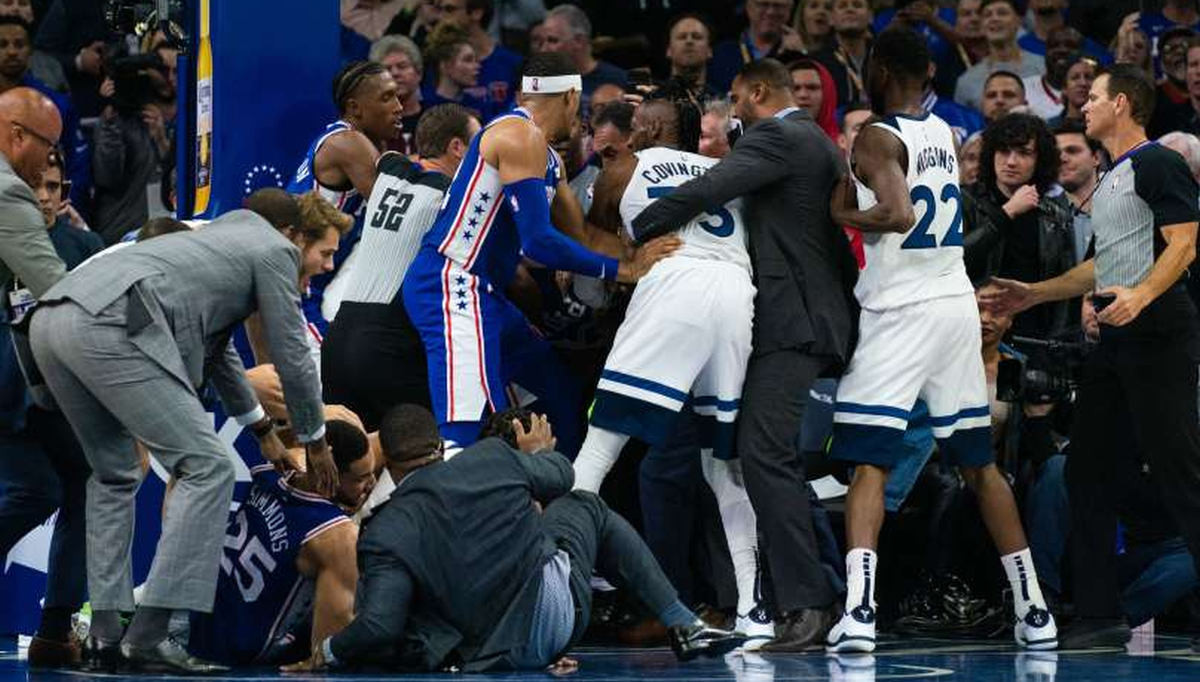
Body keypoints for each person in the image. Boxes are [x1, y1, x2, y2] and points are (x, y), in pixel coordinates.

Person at [28, 189, 336, 673]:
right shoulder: (274, 249)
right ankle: (149, 635)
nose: (324, 263)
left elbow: (218, 352)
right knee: (208, 468)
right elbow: (291, 354)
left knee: (114, 474)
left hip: (48, 321)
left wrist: (261, 430)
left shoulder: (211, 241)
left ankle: (106, 637)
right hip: (109, 323)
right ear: (294, 234)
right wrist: (314, 437)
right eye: (325, 251)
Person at [824, 27, 1057, 654]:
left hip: (901, 312)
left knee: (869, 459)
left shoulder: (877, 133)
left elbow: (897, 213)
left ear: (878, 68)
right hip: (954, 302)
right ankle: (1034, 610)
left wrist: (843, 213)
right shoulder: (941, 134)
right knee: (978, 462)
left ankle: (860, 613)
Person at [633, 58, 860, 651]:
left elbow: (711, 187)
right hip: (807, 317)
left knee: (763, 455)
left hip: (793, 321)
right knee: (763, 456)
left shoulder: (778, 135)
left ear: (759, 92)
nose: (733, 113)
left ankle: (808, 605)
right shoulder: (815, 140)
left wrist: (642, 223)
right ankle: (808, 597)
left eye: (736, 99)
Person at [983, 63, 1200, 650]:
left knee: (1181, 472)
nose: (1085, 105)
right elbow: (1102, 264)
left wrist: (1144, 293)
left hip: (1158, 331)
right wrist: (1035, 292)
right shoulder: (1111, 177)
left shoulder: (1158, 162)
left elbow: (1186, 242)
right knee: (1087, 471)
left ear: (1123, 104)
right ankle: (1101, 613)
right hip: (1114, 333)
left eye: (1096, 98)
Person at [290, 404, 742, 671]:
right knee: (585, 506)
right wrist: (537, 456)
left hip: (495, 653)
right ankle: (682, 622)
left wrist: (324, 653)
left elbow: (379, 625)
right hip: (558, 617)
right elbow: (564, 475)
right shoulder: (491, 459)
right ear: (437, 443)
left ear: (386, 458)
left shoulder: (382, 530)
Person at [571, 92, 773, 648]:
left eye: (638, 124)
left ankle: (549, 591)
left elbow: (587, 244)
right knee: (722, 465)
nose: (631, 133)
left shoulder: (625, 167)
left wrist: (625, 264)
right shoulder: (732, 171)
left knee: (600, 448)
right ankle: (755, 610)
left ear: (651, 129)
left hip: (674, 289)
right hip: (736, 299)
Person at [401, 52, 676, 447]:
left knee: (557, 392)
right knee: (471, 430)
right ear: (569, 97)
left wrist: (643, 255)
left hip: (487, 294)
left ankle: (554, 495)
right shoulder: (518, 135)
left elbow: (583, 234)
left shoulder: (547, 156)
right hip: (453, 286)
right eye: (579, 106)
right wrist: (621, 271)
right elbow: (538, 242)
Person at [322, 104, 481, 431]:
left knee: (350, 468)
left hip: (337, 340)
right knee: (419, 458)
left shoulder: (390, 168)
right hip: (390, 346)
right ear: (456, 147)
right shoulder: (451, 199)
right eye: (476, 145)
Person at [185, 420, 366, 667]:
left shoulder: (276, 466)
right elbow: (324, 655)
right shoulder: (337, 537)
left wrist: (317, 438)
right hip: (243, 655)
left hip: (202, 625)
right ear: (330, 472)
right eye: (361, 479)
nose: (371, 485)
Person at [0, 87, 70, 667]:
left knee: (72, 479)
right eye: (48, 148)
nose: (49, 163)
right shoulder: (7, 191)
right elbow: (57, 287)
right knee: (40, 488)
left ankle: (56, 625)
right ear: (18, 135)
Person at [286, 60, 402, 336]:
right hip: (304, 285)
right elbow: (402, 211)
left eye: (397, 95)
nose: (398, 106)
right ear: (354, 108)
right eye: (386, 98)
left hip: (322, 274)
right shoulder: (349, 143)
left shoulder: (353, 141)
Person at [963, 113, 1077, 339]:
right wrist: (1007, 213)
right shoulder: (965, 200)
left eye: (1024, 153)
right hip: (972, 330)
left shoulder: (1055, 215)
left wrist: (1056, 346)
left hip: (1033, 339)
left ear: (1040, 160)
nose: (1011, 161)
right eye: (1004, 151)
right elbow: (955, 259)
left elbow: (1065, 289)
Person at [0, 16, 85, 212]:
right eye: (2, 44)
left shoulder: (54, 104)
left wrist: (64, 205)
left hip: (47, 209)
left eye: (19, 44)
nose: (12, 51)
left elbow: (76, 163)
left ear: (30, 51)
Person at [434, 0, 522, 115]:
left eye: (450, 10)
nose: (441, 17)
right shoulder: (436, 60)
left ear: (476, 13)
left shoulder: (512, 63)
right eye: (439, 10)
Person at [953, 0, 1044, 112]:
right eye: (987, 15)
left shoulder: (1042, 68)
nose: (994, 19)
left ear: (1018, 20)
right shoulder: (966, 81)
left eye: (1002, 13)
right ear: (982, 24)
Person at [538, 4, 628, 112]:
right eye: (541, 42)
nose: (543, 49)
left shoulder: (619, 80)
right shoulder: (540, 82)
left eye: (552, 40)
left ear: (578, 41)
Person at [709, 0, 803, 93]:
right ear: (748, 7)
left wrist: (800, 55)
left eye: (778, 6)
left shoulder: (798, 53)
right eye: (763, 4)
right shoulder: (722, 53)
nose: (770, 12)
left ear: (789, 10)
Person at [39, 147, 101, 266]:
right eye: (34, 186)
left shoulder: (88, 244)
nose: (44, 197)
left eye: (52, 187)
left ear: (64, 191)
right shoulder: (5, 246)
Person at [421, 24, 495, 121]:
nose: (477, 66)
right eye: (468, 60)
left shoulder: (479, 106)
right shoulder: (426, 107)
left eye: (476, 60)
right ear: (445, 65)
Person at [369, 35, 425, 156]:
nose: (395, 73)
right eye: (387, 69)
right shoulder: (370, 126)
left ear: (419, 73)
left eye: (402, 66)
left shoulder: (436, 119)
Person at [1055, 119, 1102, 261]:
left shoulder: (1125, 206)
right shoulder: (1043, 216)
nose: (1062, 158)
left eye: (1072, 151)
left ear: (1096, 158)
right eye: (1055, 153)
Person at [814, 0, 872, 107]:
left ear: (870, 16)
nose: (850, 9)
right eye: (842, 6)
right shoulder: (818, 62)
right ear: (831, 18)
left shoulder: (883, 57)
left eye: (857, 5)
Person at [1022, 27, 1087, 120]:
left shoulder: (1093, 90)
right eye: (1054, 45)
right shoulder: (1025, 88)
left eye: (1070, 45)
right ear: (1045, 52)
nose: (1062, 50)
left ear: (1083, 53)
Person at [665, 14, 719, 103]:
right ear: (669, 50)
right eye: (682, 37)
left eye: (697, 37)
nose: (689, 41)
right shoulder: (653, 100)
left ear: (709, 51)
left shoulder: (722, 104)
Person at [788, 58, 839, 139]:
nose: (803, 95)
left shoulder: (844, 145)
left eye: (812, 88)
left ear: (827, 93)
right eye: (795, 88)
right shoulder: (768, 142)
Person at [1048, 55, 1097, 127]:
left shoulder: (1106, 128)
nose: (1083, 83)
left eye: (1088, 77)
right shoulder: (1049, 129)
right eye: (1075, 78)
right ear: (1064, 88)